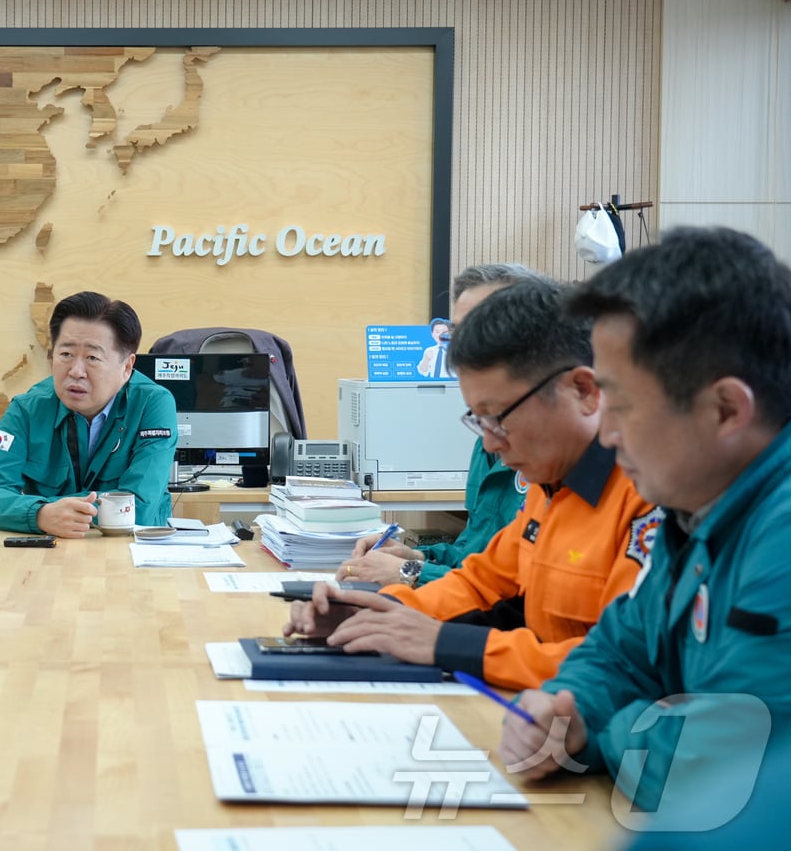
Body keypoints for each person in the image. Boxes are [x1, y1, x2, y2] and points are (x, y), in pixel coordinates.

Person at [499, 227, 791, 823]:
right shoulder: (699, 507)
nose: (606, 435)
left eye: (622, 406)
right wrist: (569, 704)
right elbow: (619, 650)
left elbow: (724, 761)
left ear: (726, 409)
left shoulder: (779, 532)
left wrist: (597, 732)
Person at [285, 279, 657, 690]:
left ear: (582, 390)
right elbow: (481, 582)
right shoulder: (550, 482)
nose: (489, 442)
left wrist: (448, 643)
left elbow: (623, 667)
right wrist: (375, 612)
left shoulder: (651, 496)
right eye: (478, 419)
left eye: (499, 416)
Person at [340, 264, 542, 588]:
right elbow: (474, 555)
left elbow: (513, 588)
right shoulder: (488, 434)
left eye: (479, 334)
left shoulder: (547, 452)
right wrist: (416, 558)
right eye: (456, 335)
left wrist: (413, 575)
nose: (460, 350)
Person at [0, 291, 177, 537]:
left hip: (131, 552)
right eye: (65, 354)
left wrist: (50, 507)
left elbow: (137, 507)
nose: (76, 371)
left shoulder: (153, 404)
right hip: (50, 555)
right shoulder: (26, 409)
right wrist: (40, 514)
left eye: (92, 357)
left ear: (127, 367)